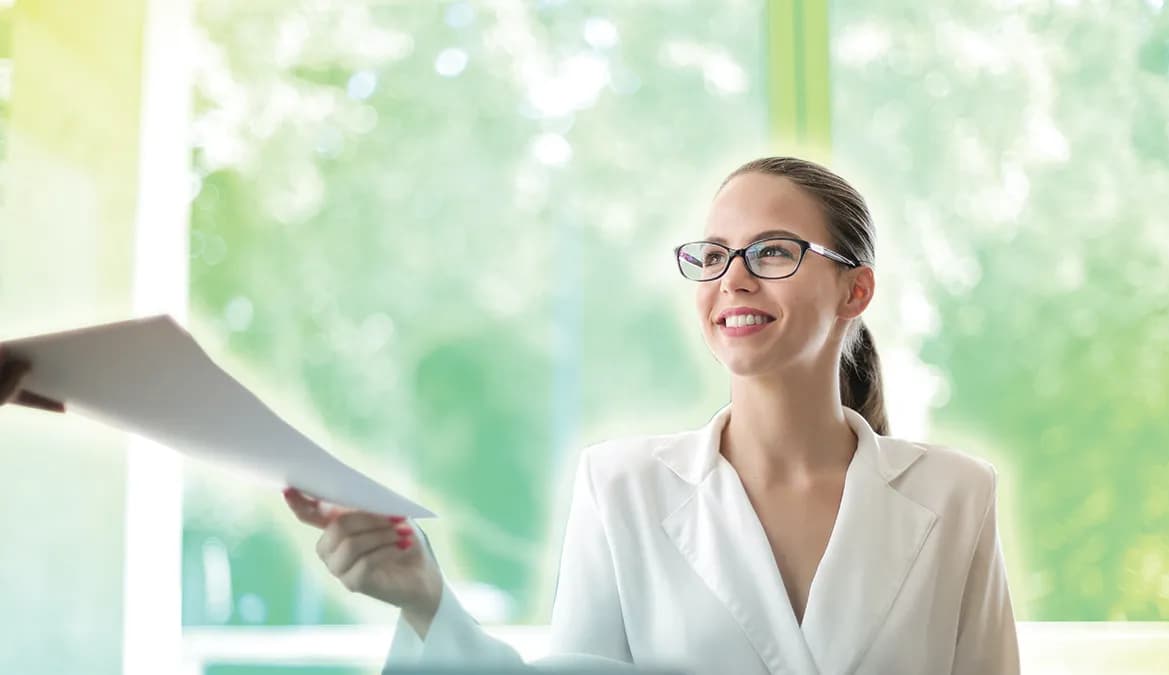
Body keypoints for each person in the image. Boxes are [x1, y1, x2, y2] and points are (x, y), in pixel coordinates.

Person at [1, 157, 1021, 674]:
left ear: (855, 292)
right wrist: (423, 599)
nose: (731, 277)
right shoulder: (622, 487)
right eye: (711, 253)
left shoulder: (953, 499)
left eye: (771, 250)